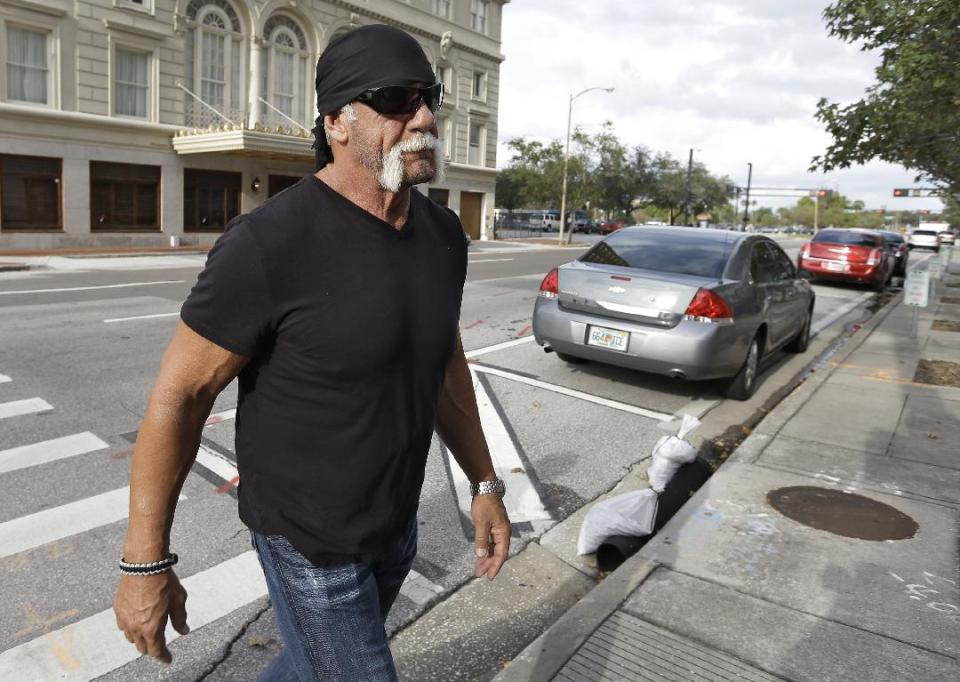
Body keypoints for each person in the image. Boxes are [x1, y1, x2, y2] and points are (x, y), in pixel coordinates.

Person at [113, 24, 511, 680]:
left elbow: (442, 362)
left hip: (395, 527)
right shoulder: (271, 242)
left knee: (310, 668)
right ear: (337, 123)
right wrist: (145, 562)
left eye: (429, 99)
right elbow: (180, 396)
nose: (423, 118)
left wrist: (485, 483)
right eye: (396, 100)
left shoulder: (443, 234)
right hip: (310, 544)